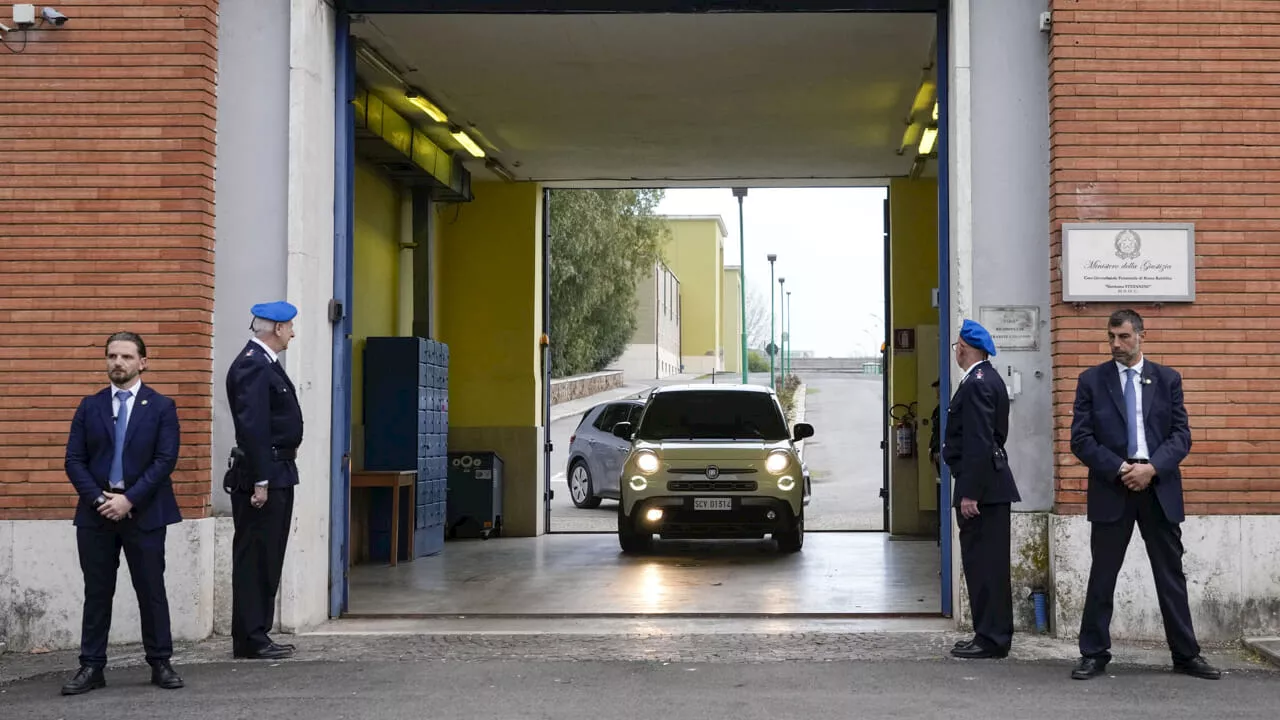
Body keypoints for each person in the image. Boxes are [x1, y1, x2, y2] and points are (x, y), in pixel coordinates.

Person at [1068, 309, 1220, 680]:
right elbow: (1081, 439)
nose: (1116, 344)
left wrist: (1151, 469)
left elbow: (1181, 435)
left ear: (1141, 335)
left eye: (1123, 337)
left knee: (1170, 575)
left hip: (1158, 488)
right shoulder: (1091, 380)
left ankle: (1186, 655)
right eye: (1111, 337)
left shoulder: (1167, 379)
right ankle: (1094, 653)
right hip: (1112, 487)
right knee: (1103, 575)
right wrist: (1122, 469)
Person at [62, 332, 184, 694]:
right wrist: (100, 501)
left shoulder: (162, 407)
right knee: (97, 591)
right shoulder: (89, 406)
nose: (118, 363)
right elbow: (73, 460)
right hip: (96, 514)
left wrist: (129, 499)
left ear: (142, 362)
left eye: (127, 357)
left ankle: (161, 662)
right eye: (112, 356)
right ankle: (91, 667)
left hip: (145, 513)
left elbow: (165, 461)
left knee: (151, 589)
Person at [225, 301, 303, 660]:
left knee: (267, 555)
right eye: (289, 327)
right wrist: (261, 480)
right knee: (257, 557)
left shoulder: (262, 364)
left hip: (276, 470)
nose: (292, 333)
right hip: (265, 474)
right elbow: (252, 427)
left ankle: (257, 632)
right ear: (276, 328)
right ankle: (251, 637)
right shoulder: (253, 366)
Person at [942, 319, 1021, 659]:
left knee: (984, 566)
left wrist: (969, 492)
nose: (956, 352)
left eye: (957, 346)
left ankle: (991, 638)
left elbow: (977, 441)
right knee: (987, 565)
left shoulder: (976, 383)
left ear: (964, 348)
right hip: (991, 484)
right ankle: (989, 634)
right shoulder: (988, 379)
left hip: (983, 491)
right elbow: (996, 436)